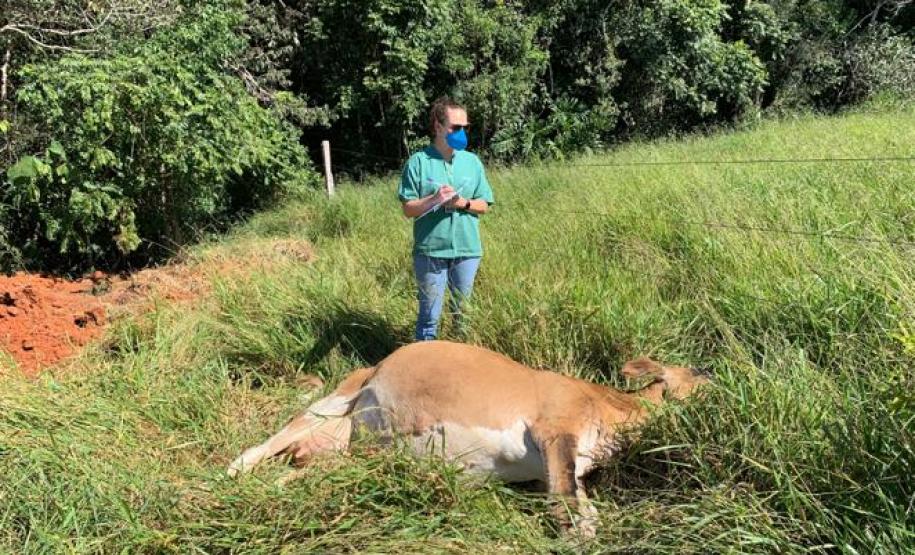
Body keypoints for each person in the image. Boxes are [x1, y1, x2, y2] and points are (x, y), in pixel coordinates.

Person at [398, 96, 495, 341]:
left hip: (466, 250)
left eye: (465, 127)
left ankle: (458, 369)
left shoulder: (472, 162)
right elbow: (408, 208)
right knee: (429, 317)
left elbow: (484, 205)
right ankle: (424, 370)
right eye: (455, 127)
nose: (461, 132)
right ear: (438, 126)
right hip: (431, 251)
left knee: (463, 315)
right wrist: (434, 199)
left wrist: (462, 203)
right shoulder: (418, 163)